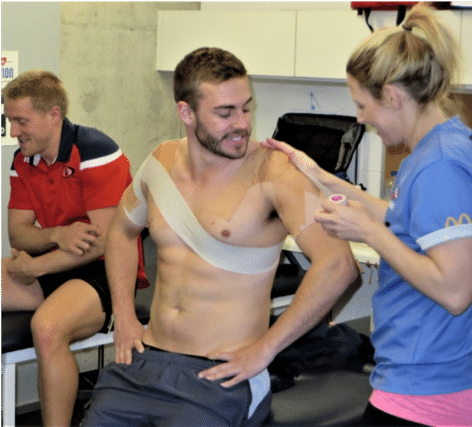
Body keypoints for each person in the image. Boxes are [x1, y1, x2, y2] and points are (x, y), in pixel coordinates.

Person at [80, 47, 359, 427]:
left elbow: (339, 265)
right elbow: (121, 231)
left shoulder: (276, 173)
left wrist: (266, 350)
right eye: (225, 113)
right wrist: (124, 315)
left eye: (246, 108)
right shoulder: (160, 161)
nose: (241, 124)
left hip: (222, 373)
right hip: (146, 359)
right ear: (186, 113)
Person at [264, 4, 472, 426]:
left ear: (392, 96)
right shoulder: (439, 145)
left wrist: (369, 232)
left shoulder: (439, 166)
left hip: (426, 387)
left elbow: (455, 291)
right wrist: (322, 177)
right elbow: (407, 219)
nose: (360, 118)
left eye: (362, 105)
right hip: (418, 376)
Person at [1, 70, 149, 427]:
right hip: (56, 261)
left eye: (22, 121)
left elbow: (101, 243)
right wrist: (57, 234)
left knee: (47, 328)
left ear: (54, 115)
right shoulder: (24, 159)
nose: (14, 131)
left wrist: (37, 267)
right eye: (10, 121)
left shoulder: (96, 152)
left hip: (105, 270)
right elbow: (18, 235)